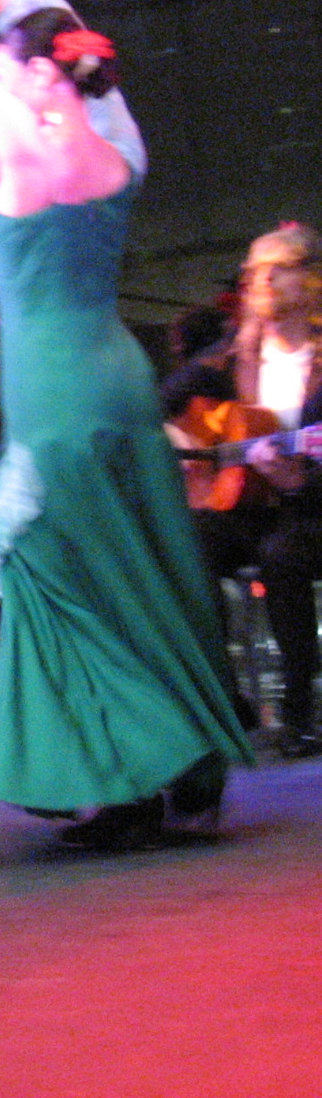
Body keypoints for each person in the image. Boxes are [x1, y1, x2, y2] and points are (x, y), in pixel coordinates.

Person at [0, 0, 251, 845]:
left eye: (8, 66)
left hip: (56, 390)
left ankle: (131, 774)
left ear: (38, 73)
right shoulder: (117, 156)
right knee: (143, 568)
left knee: (62, 576)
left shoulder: (25, 148)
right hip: (119, 377)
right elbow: (66, 66)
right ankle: (184, 774)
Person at [162, 222, 322, 758]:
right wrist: (182, 440)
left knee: (283, 554)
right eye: (254, 272)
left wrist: (302, 481)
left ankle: (299, 712)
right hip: (251, 507)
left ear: (312, 278)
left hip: (313, 512)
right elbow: (161, 403)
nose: (262, 282)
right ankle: (227, 701)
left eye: (279, 269)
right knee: (189, 543)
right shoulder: (233, 360)